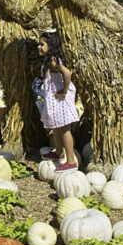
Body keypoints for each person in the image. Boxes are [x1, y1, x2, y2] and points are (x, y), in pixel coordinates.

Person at [37, 30, 80, 172]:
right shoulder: (50, 60)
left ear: (51, 45)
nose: (39, 47)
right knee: (56, 126)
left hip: (60, 98)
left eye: (42, 44)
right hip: (54, 98)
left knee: (64, 129)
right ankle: (58, 152)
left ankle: (71, 161)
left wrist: (65, 90)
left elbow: (67, 73)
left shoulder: (53, 61)